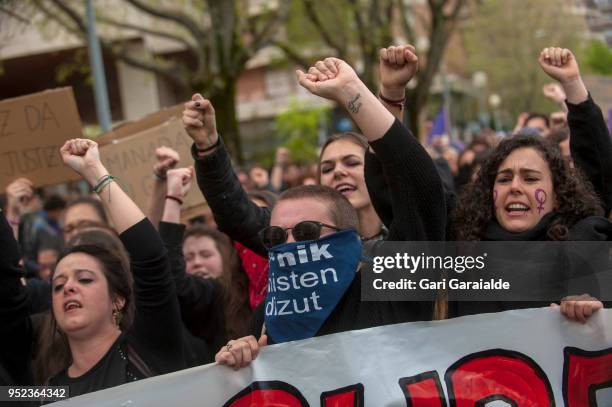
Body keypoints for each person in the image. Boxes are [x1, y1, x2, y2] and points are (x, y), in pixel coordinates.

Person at [211, 53, 445, 367]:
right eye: (277, 236)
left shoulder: (390, 285)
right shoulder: (271, 314)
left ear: (348, 238)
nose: (291, 245)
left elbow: (418, 190)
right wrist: (240, 363)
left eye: (307, 232)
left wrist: (352, 92)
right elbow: (236, 213)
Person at [6, 138, 185, 397]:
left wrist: (94, 171)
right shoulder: (49, 394)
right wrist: (10, 215)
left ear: (118, 300)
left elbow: (151, 254)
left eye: (85, 279)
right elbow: (7, 396)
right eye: (57, 286)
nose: (68, 287)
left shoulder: (149, 347)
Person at [158, 167, 251, 362]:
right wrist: (172, 199)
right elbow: (171, 278)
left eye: (205, 254)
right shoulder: (184, 301)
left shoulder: (242, 294)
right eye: (188, 257)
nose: (197, 262)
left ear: (226, 257)